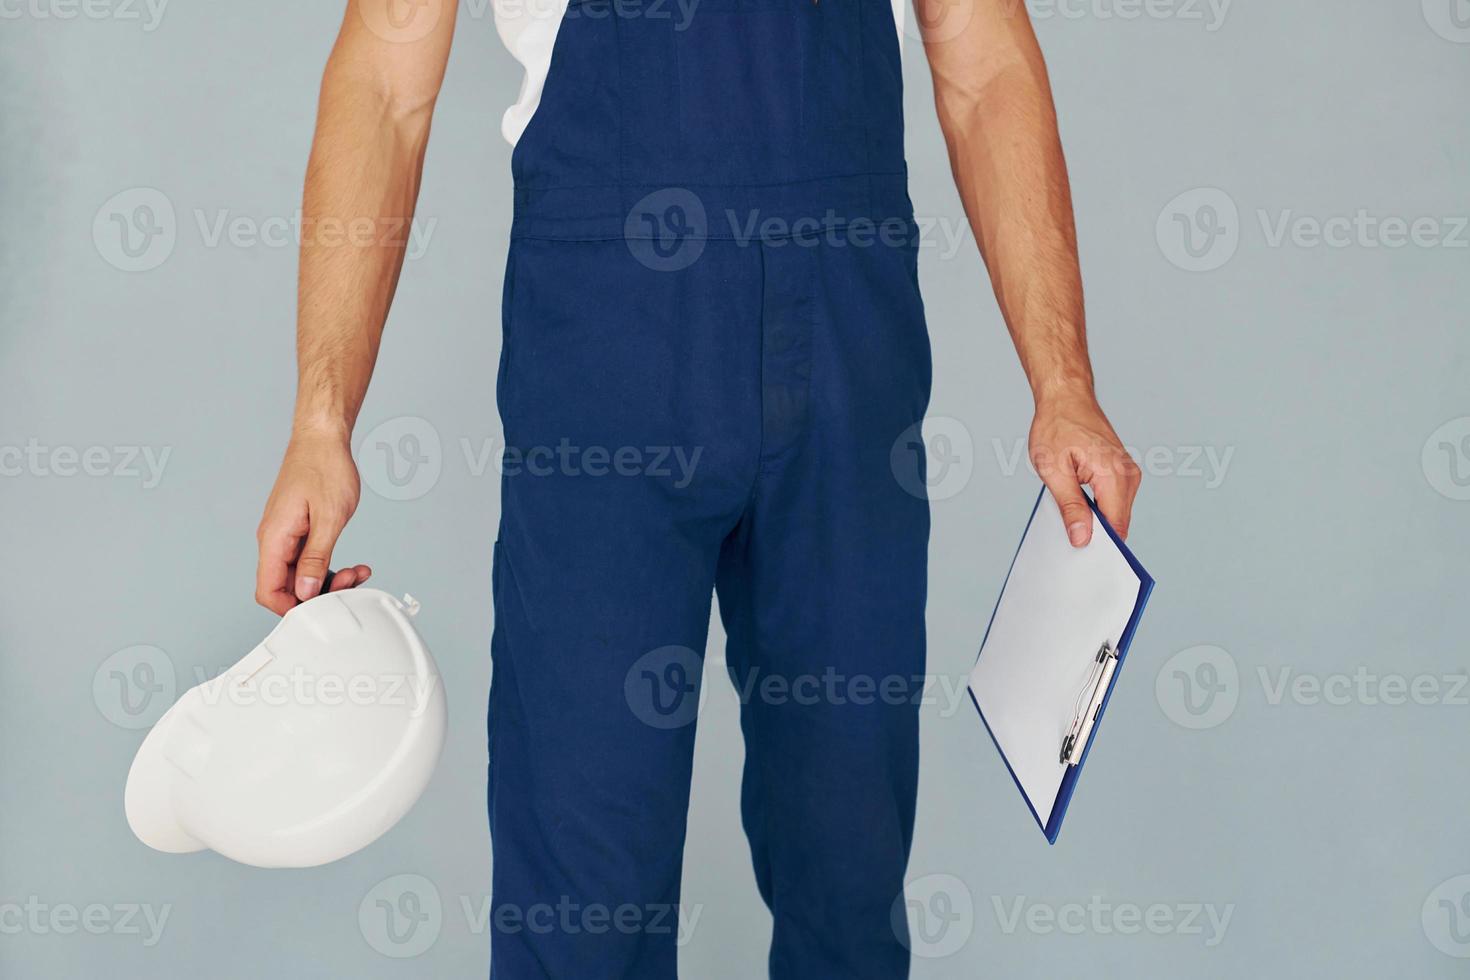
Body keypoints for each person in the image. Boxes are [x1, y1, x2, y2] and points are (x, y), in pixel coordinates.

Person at [254, 0, 1142, 975]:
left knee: (851, 876)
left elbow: (983, 61)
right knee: (584, 895)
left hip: (850, 359)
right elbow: (384, 75)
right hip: (607, 355)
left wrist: (1064, 383)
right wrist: (320, 419)